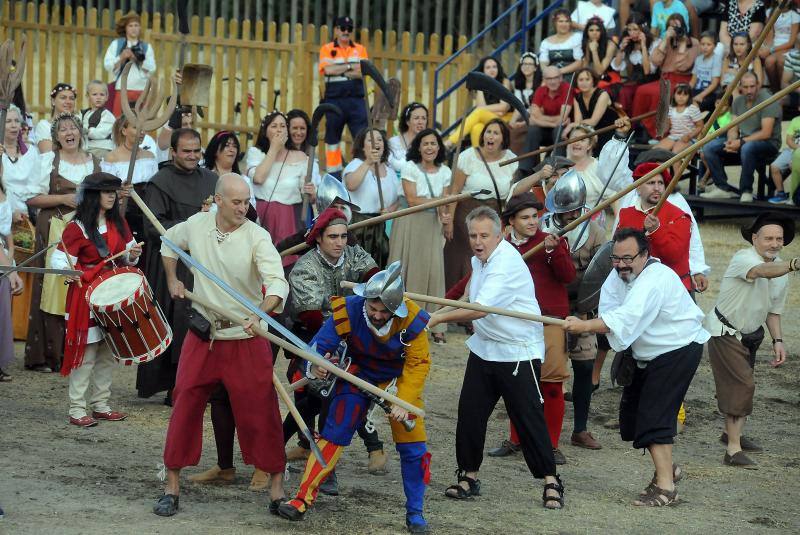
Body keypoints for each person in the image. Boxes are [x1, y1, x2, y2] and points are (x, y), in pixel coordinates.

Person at [151, 174, 288, 516]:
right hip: (204, 336)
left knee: (263, 411)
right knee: (184, 402)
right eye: (237, 202)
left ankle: (277, 491)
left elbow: (276, 283)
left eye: (247, 202)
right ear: (219, 201)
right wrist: (172, 279)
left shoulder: (258, 237)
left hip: (246, 335)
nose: (244, 208)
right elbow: (168, 243)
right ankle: (171, 487)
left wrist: (261, 312)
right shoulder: (197, 225)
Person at [277, 262, 433, 534]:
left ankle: (416, 513)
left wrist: (402, 400)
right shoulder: (348, 309)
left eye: (384, 312)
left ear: (396, 308)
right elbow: (319, 346)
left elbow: (418, 363)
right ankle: (302, 498)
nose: (376, 315)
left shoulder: (412, 320)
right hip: (357, 375)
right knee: (335, 430)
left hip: (396, 382)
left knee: (413, 446)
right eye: (372, 308)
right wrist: (316, 365)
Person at [428, 206, 564, 509]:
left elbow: (479, 309)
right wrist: (441, 309)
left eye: (484, 235)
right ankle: (469, 476)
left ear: (499, 233)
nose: (478, 241)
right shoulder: (480, 261)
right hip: (485, 348)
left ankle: (551, 480)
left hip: (518, 352)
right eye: (473, 235)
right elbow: (468, 297)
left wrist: (438, 320)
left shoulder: (506, 263)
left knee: (527, 418)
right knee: (471, 414)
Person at [563, 227, 709, 506]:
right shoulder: (618, 276)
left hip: (677, 349)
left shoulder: (655, 279)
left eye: (628, 258)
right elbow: (611, 312)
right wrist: (591, 321)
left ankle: (666, 488)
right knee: (632, 420)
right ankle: (669, 469)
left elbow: (625, 318)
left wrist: (584, 325)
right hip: (646, 353)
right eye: (616, 258)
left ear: (645, 255)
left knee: (655, 415)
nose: (621, 264)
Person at [282, 207, 385, 491]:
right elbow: (313, 317)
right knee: (315, 397)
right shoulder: (305, 267)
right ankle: (319, 465)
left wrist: (381, 285)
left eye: (343, 236)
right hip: (315, 340)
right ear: (319, 239)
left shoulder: (353, 253)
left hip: (353, 340)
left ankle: (328, 464)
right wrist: (344, 341)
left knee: (335, 397)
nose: (340, 242)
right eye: (333, 237)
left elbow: (376, 276)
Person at [483, 193, 576, 464]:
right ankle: (516, 439)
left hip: (548, 321)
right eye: (525, 217)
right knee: (517, 384)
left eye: (535, 216)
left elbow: (568, 276)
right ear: (510, 221)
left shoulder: (551, 242)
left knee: (551, 385)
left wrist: (552, 251)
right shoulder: (500, 247)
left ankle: (552, 444)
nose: (533, 222)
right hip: (514, 322)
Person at [705, 212, 796, 469]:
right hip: (725, 331)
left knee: (744, 385)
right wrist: (793, 264)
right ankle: (733, 451)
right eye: (768, 238)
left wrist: (778, 340)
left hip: (751, 334)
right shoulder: (744, 257)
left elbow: (773, 311)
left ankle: (732, 435)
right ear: (755, 238)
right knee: (742, 386)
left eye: (779, 239)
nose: (775, 243)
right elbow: (760, 272)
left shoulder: (781, 270)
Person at [50, 172, 140, 426]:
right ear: (92, 195)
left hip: (111, 291)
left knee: (107, 351)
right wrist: (72, 271)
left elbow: (130, 255)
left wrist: (133, 254)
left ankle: (101, 404)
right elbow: (59, 260)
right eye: (106, 191)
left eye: (114, 191)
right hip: (86, 294)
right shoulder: (76, 227)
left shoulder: (119, 223)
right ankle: (77, 409)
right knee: (87, 353)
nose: (112, 195)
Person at [135, 128, 217, 402]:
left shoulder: (212, 179)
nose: (193, 156)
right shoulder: (161, 182)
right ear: (173, 153)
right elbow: (152, 226)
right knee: (179, 323)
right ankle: (176, 385)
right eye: (186, 151)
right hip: (174, 264)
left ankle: (205, 383)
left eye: (197, 150)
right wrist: (194, 226)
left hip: (208, 263)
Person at [23, 113, 98, 373]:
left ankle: (78, 351)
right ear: (56, 137)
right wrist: (63, 200)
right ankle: (47, 355)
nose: (69, 132)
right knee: (51, 288)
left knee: (81, 286)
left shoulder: (95, 162)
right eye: (63, 129)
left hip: (86, 233)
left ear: (80, 133)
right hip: (54, 230)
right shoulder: (47, 161)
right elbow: (31, 197)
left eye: (73, 128)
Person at [540, 173, 606, 449]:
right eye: (565, 213)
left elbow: (600, 273)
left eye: (573, 212)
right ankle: (535, 426)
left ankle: (580, 428)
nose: (570, 216)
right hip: (548, 309)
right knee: (543, 372)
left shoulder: (595, 233)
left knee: (584, 367)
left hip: (582, 309)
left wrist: (587, 307)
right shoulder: (542, 228)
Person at [388, 128, 452, 345]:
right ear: (418, 147)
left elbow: (445, 202)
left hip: (432, 225)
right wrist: (437, 202)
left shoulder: (445, 171)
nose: (430, 148)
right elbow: (412, 199)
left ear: (439, 147)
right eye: (425, 143)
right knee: (407, 270)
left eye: (434, 143)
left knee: (434, 271)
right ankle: (403, 320)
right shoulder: (409, 167)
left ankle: (435, 324)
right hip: (410, 222)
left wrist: (446, 217)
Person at [444, 119, 518, 290]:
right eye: (488, 131)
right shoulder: (468, 157)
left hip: (494, 216)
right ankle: (457, 307)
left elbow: (512, 193)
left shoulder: (511, 160)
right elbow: (454, 191)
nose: (490, 136)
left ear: (503, 138)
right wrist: (449, 221)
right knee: (464, 261)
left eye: (495, 133)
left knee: (490, 260)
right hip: (466, 216)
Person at [246, 111, 315, 267]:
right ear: (265, 130)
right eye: (274, 126)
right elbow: (258, 178)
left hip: (290, 217)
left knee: (288, 264)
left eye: (283, 126)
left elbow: (307, 195)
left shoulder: (301, 157)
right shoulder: (256, 154)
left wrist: (311, 193)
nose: (279, 130)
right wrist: (274, 149)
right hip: (263, 216)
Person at [700, 72, 781, 202]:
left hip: (768, 144)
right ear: (740, 87)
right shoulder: (738, 101)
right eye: (746, 87)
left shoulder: (768, 100)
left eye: (752, 86)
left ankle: (746, 190)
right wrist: (731, 140)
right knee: (709, 147)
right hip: (744, 142)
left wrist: (741, 142)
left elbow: (766, 133)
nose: (749, 90)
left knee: (747, 148)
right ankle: (722, 188)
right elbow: (733, 127)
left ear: (758, 85)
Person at [616, 162, 693, 291]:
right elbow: (617, 251)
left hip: (671, 290)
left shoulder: (679, 216)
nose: (657, 188)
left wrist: (656, 231)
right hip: (632, 287)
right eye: (651, 183)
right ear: (638, 187)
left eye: (660, 183)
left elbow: (674, 257)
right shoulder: (626, 214)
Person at [633, 13, 699, 139]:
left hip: (681, 79)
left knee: (659, 93)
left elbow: (683, 66)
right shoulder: (668, 41)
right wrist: (665, 39)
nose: (675, 30)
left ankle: (658, 133)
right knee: (641, 90)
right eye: (671, 27)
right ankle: (640, 126)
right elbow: (655, 60)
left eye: (677, 26)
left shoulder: (693, 42)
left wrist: (683, 43)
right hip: (664, 78)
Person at [318, 15, 369, 175]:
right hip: (334, 100)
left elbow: (362, 72)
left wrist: (340, 68)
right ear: (336, 30)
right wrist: (350, 66)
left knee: (362, 137)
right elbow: (327, 70)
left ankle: (361, 170)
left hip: (356, 101)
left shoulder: (360, 49)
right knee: (332, 139)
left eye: (349, 29)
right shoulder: (326, 49)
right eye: (342, 28)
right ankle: (334, 174)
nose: (346, 32)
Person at [343, 127, 400, 268]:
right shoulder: (355, 165)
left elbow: (398, 198)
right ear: (363, 146)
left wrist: (390, 210)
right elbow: (351, 184)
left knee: (380, 265)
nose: (376, 142)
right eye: (371, 140)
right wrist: (368, 162)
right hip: (359, 226)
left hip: (381, 225)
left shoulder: (390, 171)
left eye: (380, 139)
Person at [100, 115, 158, 243]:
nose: (141, 132)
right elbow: (104, 190)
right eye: (136, 128)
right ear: (124, 130)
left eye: (143, 128)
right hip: (123, 212)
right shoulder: (111, 158)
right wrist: (119, 193)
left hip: (146, 213)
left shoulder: (150, 156)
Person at [446, 57, 513, 149]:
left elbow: (504, 107)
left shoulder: (504, 81)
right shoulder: (481, 86)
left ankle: (451, 141)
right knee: (476, 128)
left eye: (494, 67)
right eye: (488, 67)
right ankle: (479, 159)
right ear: (483, 70)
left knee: (479, 112)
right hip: (490, 118)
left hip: (505, 120)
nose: (492, 70)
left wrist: (489, 110)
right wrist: (480, 85)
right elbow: (481, 106)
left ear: (498, 68)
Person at [517, 66, 573, 174]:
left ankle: (558, 168)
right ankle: (526, 170)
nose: (552, 81)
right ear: (544, 80)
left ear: (561, 78)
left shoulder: (566, 88)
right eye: (549, 79)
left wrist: (541, 119)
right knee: (533, 130)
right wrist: (553, 122)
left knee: (559, 130)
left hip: (563, 131)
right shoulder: (541, 90)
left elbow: (563, 118)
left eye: (555, 78)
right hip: (547, 130)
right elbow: (533, 118)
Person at [103, 12, 156, 116]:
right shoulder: (116, 45)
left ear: (140, 28)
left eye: (136, 25)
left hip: (142, 90)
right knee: (120, 120)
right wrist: (121, 57)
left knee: (141, 121)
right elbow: (107, 65)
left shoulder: (146, 47)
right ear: (126, 28)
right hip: (122, 89)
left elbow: (152, 68)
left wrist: (138, 59)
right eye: (130, 25)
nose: (133, 28)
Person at [0, 184, 24, 381]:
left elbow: (6, 230)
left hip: (5, 256)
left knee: (2, 310)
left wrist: (11, 254)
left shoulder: (4, 189)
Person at [0, 104, 40, 220]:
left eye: (17, 121)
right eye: (8, 121)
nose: (13, 125)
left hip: (30, 214)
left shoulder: (32, 152)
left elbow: (38, 185)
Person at [566, 68, 618, 151]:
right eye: (581, 80)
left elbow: (593, 121)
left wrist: (572, 125)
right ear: (576, 82)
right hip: (590, 130)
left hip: (608, 130)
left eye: (587, 79)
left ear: (593, 81)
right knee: (572, 136)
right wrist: (574, 126)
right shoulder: (577, 97)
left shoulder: (602, 94)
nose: (584, 83)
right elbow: (578, 121)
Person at [612, 13, 653, 115]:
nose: (632, 33)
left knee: (625, 92)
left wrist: (643, 46)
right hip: (633, 80)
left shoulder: (653, 43)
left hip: (649, 80)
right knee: (612, 89)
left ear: (642, 29)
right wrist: (621, 50)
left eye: (635, 29)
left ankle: (628, 123)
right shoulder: (629, 44)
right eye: (629, 30)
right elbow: (617, 66)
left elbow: (647, 71)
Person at [655, 83, 703, 153]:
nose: (681, 97)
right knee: (656, 151)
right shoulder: (671, 108)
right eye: (679, 94)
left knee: (675, 154)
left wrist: (689, 136)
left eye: (685, 95)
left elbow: (700, 126)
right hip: (673, 136)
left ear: (689, 97)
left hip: (688, 138)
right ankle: (660, 164)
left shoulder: (692, 108)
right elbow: (668, 125)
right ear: (674, 95)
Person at [760, 4, 800, 91]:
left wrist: (771, 50)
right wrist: (766, 47)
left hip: (788, 47)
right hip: (774, 45)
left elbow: (791, 42)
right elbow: (769, 33)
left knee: (781, 61)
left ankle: (783, 92)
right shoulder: (770, 12)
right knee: (769, 62)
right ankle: (774, 90)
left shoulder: (795, 14)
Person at [539, 9, 584, 80]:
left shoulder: (577, 38)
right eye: (560, 21)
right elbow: (543, 64)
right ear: (555, 23)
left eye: (567, 21)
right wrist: (550, 74)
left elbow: (579, 62)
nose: (564, 24)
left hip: (573, 78)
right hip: (551, 78)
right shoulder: (546, 42)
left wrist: (558, 72)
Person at [766, 113, 800, 204]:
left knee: (794, 166)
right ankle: (781, 194)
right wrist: (797, 148)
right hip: (792, 149)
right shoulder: (795, 120)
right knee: (774, 167)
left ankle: (795, 196)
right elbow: (789, 140)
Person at [34, 83, 77, 154]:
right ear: (53, 101)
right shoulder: (44, 126)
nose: (68, 102)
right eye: (63, 98)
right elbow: (48, 153)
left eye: (71, 98)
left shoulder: (79, 125)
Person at [80, 81, 116, 160]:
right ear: (87, 96)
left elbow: (102, 132)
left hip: (102, 147)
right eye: (94, 94)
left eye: (102, 94)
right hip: (88, 147)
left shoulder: (107, 115)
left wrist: (88, 131)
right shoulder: (85, 113)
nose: (98, 97)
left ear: (107, 97)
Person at [389, 102, 428, 172]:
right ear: (407, 121)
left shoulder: (428, 144)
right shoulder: (393, 143)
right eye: (416, 118)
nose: (420, 122)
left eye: (424, 118)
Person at [720, 32, 763, 97]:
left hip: (750, 92)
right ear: (732, 45)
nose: (738, 47)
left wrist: (737, 74)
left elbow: (759, 83)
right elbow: (722, 82)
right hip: (730, 93)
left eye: (742, 44)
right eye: (735, 44)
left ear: (748, 46)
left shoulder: (755, 60)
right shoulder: (728, 59)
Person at [581, 18, 619, 88]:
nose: (594, 33)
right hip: (593, 75)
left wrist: (594, 51)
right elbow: (585, 66)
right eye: (591, 30)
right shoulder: (587, 42)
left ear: (602, 31)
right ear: (587, 32)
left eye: (598, 30)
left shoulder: (610, 45)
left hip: (609, 76)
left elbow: (599, 71)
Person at [691, 31, 723, 112]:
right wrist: (685, 90)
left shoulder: (716, 59)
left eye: (708, 44)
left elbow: (714, 84)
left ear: (715, 46)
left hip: (709, 93)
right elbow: (693, 81)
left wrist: (701, 96)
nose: (705, 47)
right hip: (697, 90)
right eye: (702, 44)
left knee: (695, 106)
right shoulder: (698, 59)